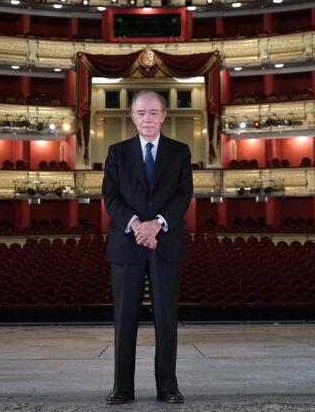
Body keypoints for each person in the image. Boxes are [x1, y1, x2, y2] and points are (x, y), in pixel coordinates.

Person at [101, 91, 193, 405]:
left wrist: (157, 224)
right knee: (124, 320)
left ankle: (167, 386)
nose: (147, 119)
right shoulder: (117, 152)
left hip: (165, 243)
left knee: (166, 319)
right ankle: (122, 388)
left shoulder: (180, 152)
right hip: (127, 244)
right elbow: (111, 197)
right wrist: (138, 225)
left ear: (164, 115)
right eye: (141, 113)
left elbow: (183, 196)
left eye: (153, 113)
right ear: (133, 117)